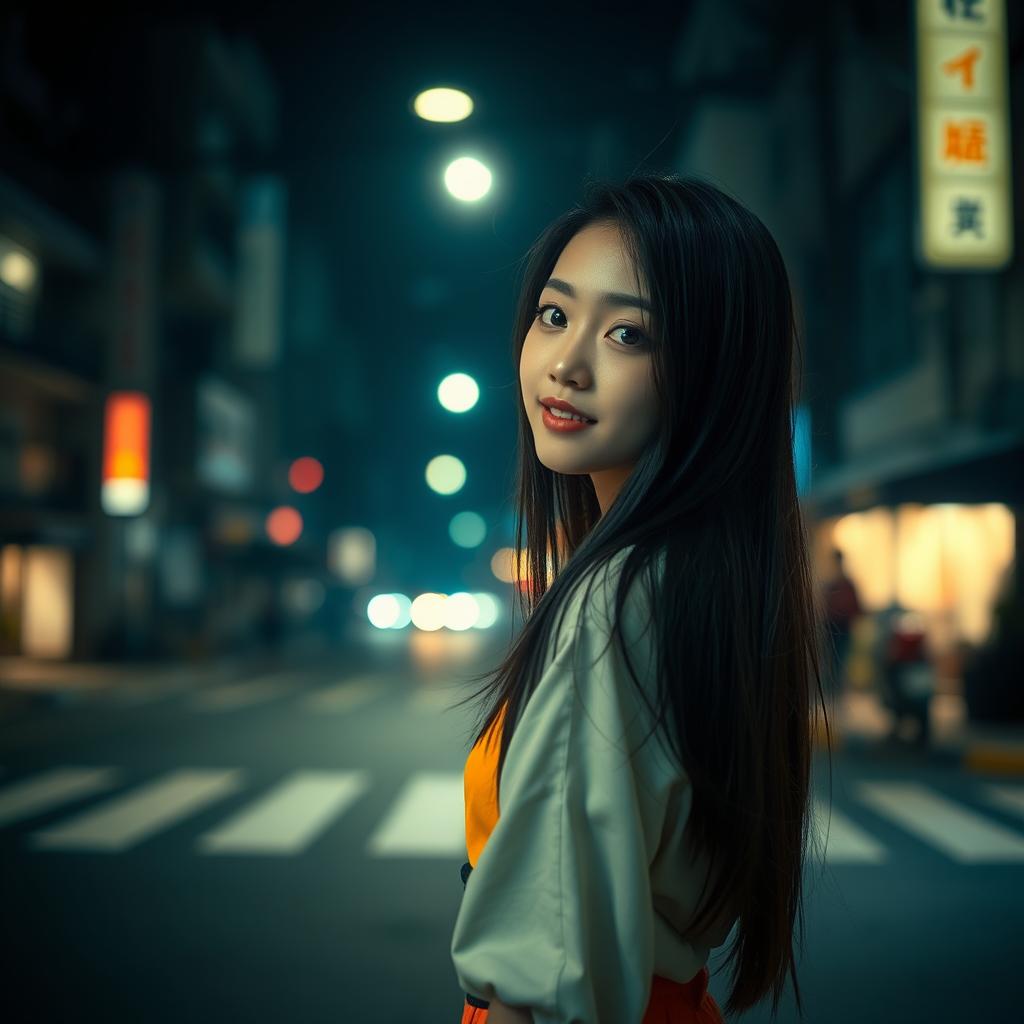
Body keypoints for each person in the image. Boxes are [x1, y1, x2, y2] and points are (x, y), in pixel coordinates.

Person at [449, 173, 831, 1023]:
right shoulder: (700, 586)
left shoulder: (615, 604)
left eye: (628, 335)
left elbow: (535, 979)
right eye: (555, 315)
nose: (566, 364)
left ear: (713, 375)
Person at [821, 547, 863, 704]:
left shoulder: (843, 583)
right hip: (832, 628)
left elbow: (857, 606)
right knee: (834, 660)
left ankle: (837, 693)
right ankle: (833, 692)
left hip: (842, 627)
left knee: (839, 660)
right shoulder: (832, 583)